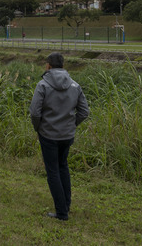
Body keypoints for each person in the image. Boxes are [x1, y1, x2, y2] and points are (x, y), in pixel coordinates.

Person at [29, 52, 89, 221]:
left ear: (48, 65)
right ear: (63, 66)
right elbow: (84, 112)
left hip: (48, 135)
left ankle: (62, 212)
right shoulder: (75, 86)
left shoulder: (42, 85)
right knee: (63, 167)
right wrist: (71, 125)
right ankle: (66, 205)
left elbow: (34, 112)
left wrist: (38, 128)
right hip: (67, 135)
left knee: (53, 171)